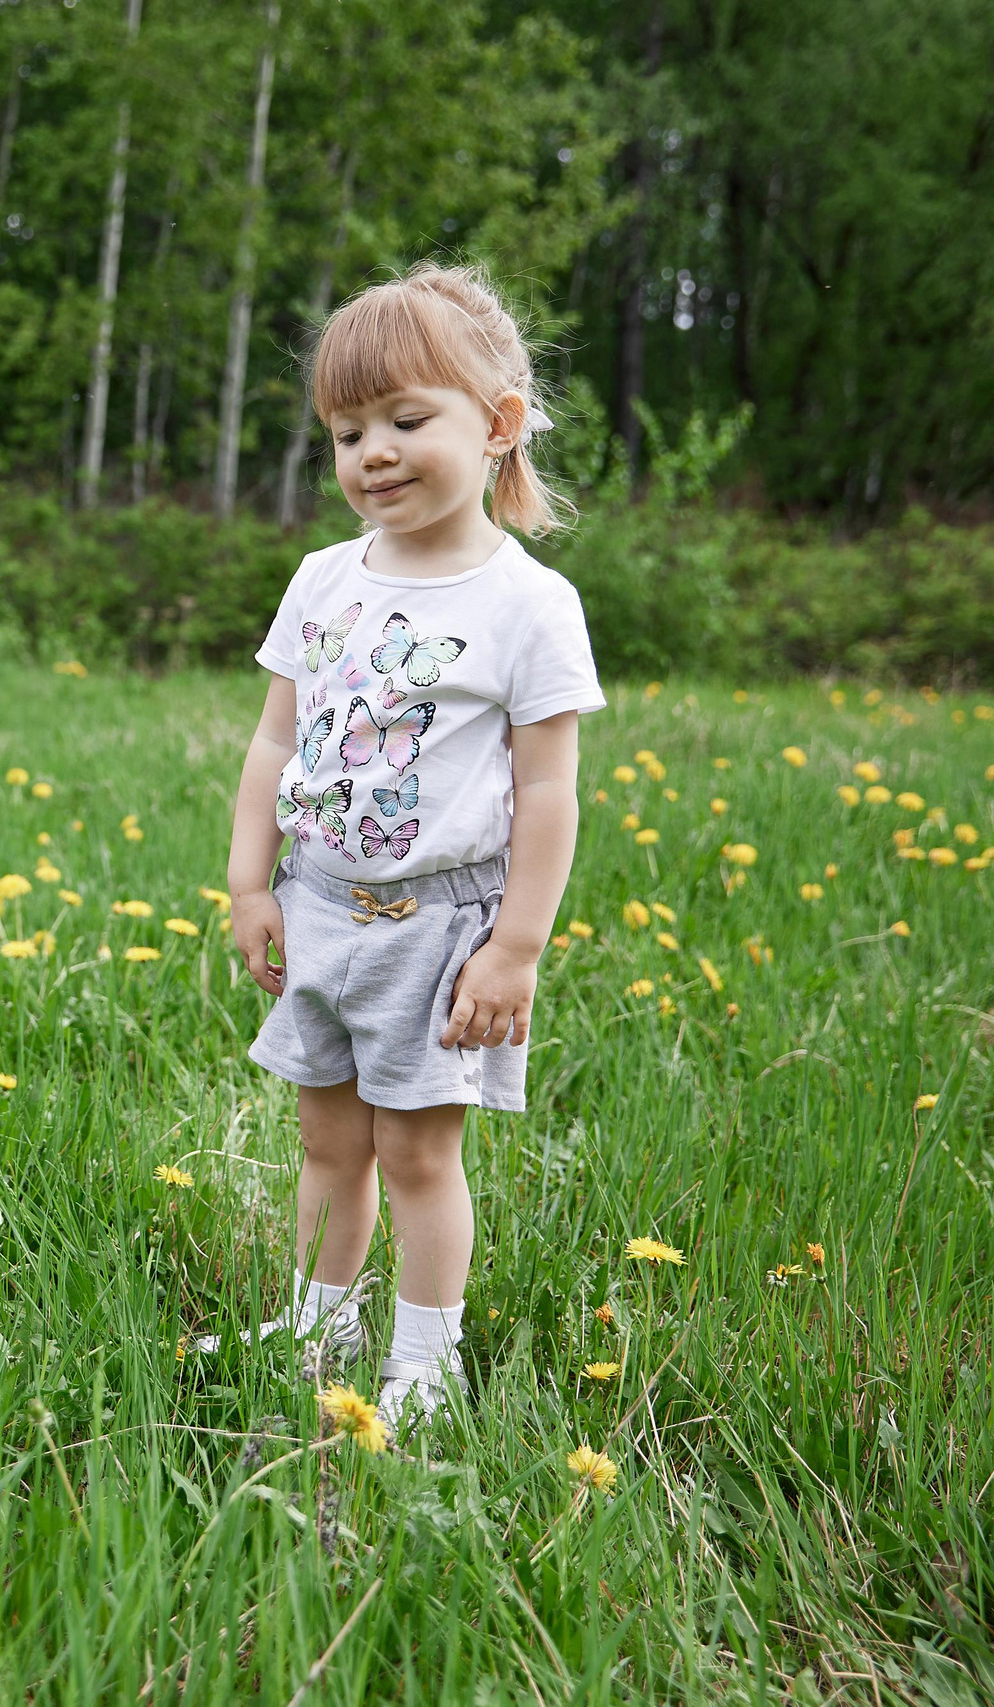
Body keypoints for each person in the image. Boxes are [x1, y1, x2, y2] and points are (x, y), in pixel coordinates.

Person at [207, 262, 604, 1431]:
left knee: (418, 1154)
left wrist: (515, 949)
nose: (370, 451)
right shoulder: (325, 578)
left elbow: (547, 793)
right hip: (317, 902)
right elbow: (271, 745)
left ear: (497, 425)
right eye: (345, 430)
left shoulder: (526, 605)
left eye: (403, 420)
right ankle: (318, 1321)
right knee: (327, 1140)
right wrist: (249, 883)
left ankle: (424, 1363)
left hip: (439, 928)